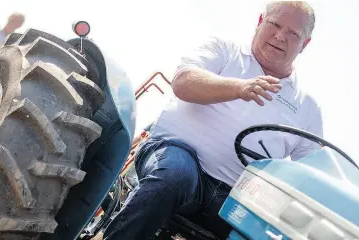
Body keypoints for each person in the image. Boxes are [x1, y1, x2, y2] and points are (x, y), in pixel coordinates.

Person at [100, 1, 323, 240]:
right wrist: (240, 88)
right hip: (177, 156)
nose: (280, 36)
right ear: (260, 22)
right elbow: (184, 82)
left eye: (292, 33)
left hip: (235, 197)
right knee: (175, 177)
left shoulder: (307, 108)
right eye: (274, 24)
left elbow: (313, 175)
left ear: (305, 44)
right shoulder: (225, 50)